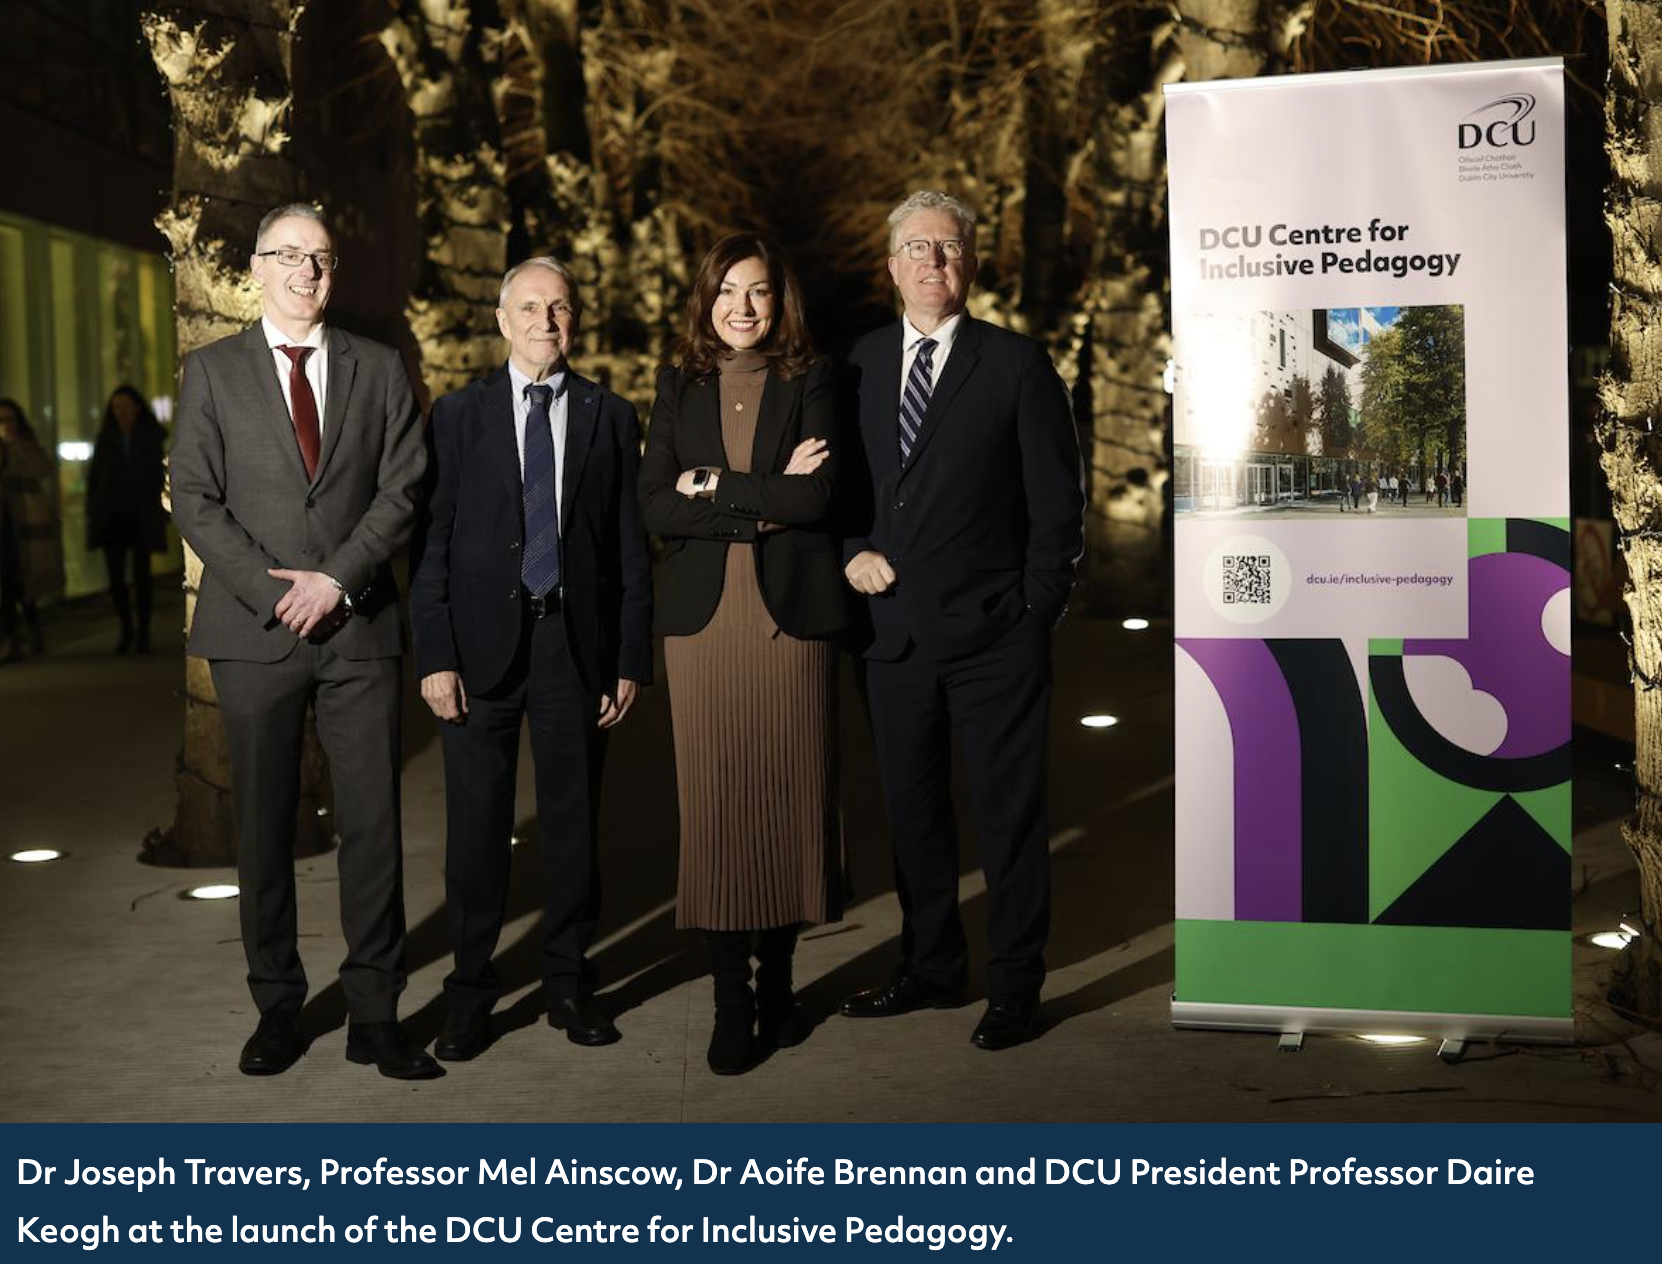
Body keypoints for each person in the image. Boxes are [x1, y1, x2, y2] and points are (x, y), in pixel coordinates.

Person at [170, 203, 435, 1080]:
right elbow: (196, 498)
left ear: (334, 269)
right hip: (254, 633)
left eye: (320, 257)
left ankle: (374, 1013)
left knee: (372, 827)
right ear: (256, 267)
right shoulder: (212, 373)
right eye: (288, 256)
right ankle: (277, 1008)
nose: (306, 273)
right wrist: (272, 591)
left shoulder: (381, 367)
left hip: (359, 629)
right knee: (264, 828)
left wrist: (338, 579)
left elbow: (403, 486)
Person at [839, 190, 1085, 1050]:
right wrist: (847, 550)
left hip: (995, 641)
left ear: (972, 263)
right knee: (913, 817)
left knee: (1009, 819)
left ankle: (1016, 983)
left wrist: (1034, 611)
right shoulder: (859, 365)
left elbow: (1058, 506)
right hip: (892, 639)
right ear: (892, 266)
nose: (932, 262)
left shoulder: (1017, 365)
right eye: (916, 248)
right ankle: (933, 967)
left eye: (948, 248)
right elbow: (837, 492)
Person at [409, 257, 652, 1063]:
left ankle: (568, 984)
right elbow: (431, 545)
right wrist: (435, 655)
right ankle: (471, 994)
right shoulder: (458, 416)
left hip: (574, 651)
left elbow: (628, 549)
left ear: (573, 321)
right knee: (476, 833)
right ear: (503, 319)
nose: (546, 321)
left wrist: (629, 657)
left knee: (574, 830)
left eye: (560, 308)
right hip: (479, 655)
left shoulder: (610, 416)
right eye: (530, 308)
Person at [638, 234, 846, 1075]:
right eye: (727, 292)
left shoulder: (813, 379)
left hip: (789, 624)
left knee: (791, 802)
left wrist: (714, 486)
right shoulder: (676, 383)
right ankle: (730, 996)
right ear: (705, 299)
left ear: (780, 300)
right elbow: (655, 504)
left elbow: (822, 495)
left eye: (758, 292)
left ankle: (781, 988)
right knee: (718, 810)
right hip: (703, 624)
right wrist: (760, 505)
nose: (743, 309)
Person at [87, 385, 169, 653]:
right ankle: (126, 630)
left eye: (125, 406)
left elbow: (158, 478)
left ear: (137, 409)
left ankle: (143, 632)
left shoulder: (150, 438)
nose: (121, 412)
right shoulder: (106, 438)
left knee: (142, 576)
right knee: (116, 578)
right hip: (112, 517)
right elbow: (96, 479)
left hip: (140, 516)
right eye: (116, 407)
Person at [0, 398, 63, 662]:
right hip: (4, 524)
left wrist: (16, 443)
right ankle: (11, 637)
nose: (5, 425)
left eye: (10, 419)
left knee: (25, 581)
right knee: (6, 583)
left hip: (23, 525)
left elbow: (44, 469)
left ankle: (32, 632)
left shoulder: (25, 445)